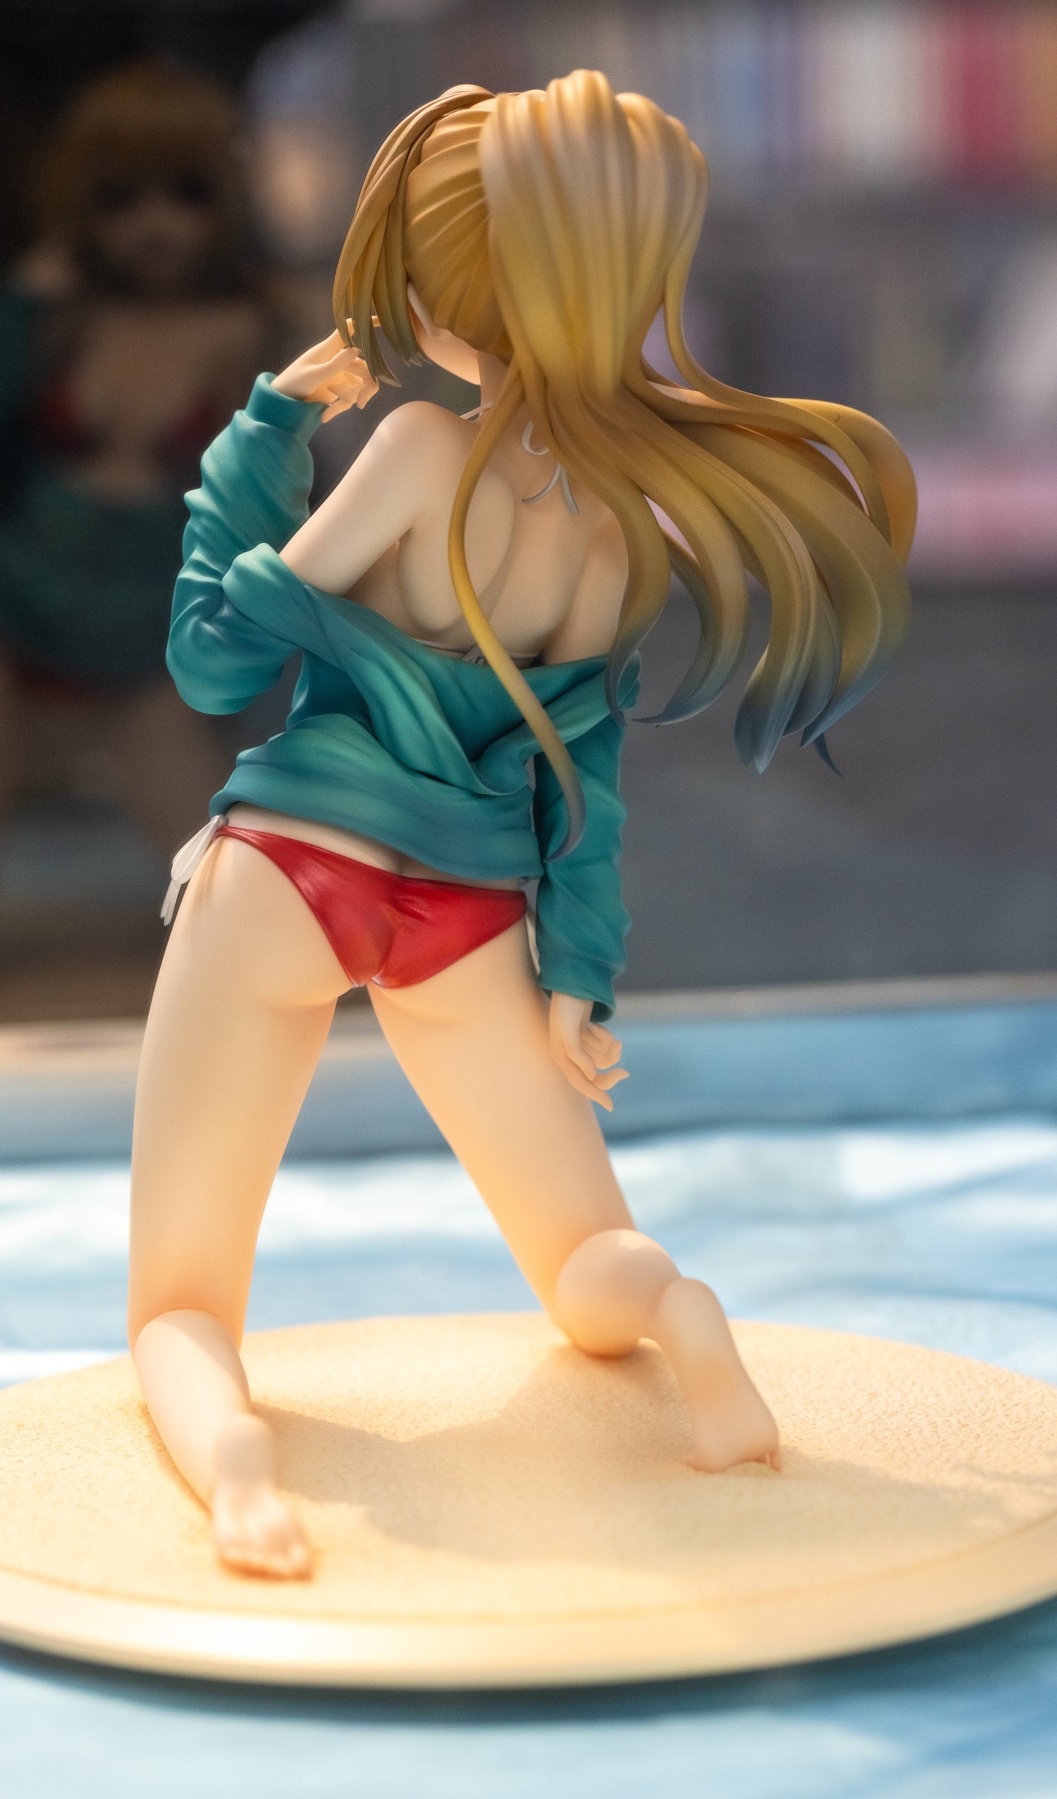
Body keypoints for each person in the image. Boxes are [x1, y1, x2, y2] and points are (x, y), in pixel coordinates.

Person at [128, 73, 916, 1577]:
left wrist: (268, 428)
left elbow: (215, 658)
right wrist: (578, 978)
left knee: (180, 1303)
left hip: (290, 872)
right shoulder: (618, 533)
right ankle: (687, 1321)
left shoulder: (421, 454)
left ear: (447, 291)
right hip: (472, 912)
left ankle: (236, 1473)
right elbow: (584, 777)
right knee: (584, 1267)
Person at [0, 62, 264, 988]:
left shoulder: (251, 331)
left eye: (184, 192)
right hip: (2, 614)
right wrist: (15, 314)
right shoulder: (55, 316)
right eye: (119, 197)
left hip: (139, 646)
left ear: (221, 198)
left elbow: (275, 521)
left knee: (239, 919)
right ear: (80, 206)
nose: (153, 223)